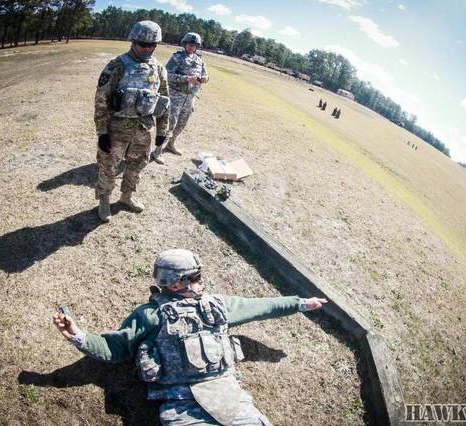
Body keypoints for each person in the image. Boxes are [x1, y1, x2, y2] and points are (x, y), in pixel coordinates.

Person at [53, 249, 328, 425]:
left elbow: (258, 306)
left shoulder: (218, 305)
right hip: (183, 408)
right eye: (196, 276)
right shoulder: (150, 315)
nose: (202, 281)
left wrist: (300, 303)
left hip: (232, 399)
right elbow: (115, 347)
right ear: (175, 283)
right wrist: (77, 335)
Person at [93, 20, 170, 221]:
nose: (146, 48)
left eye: (151, 45)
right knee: (109, 167)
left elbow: (164, 101)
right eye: (142, 44)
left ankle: (126, 197)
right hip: (116, 130)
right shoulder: (117, 65)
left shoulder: (159, 69)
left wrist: (162, 131)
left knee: (137, 166)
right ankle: (104, 201)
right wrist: (102, 133)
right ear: (132, 41)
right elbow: (101, 100)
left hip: (143, 130)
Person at [152, 32, 208, 164]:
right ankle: (158, 150)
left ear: (197, 47)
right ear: (184, 44)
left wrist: (204, 79)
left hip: (190, 98)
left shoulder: (199, 61)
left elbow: (206, 75)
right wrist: (186, 79)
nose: (191, 47)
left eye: (194, 45)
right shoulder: (177, 58)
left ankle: (171, 144)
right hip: (175, 96)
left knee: (182, 123)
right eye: (189, 44)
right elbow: (167, 75)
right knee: (169, 124)